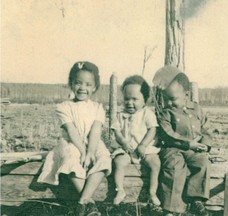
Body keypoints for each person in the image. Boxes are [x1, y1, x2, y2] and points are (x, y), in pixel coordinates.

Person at [38, 61, 111, 216]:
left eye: (88, 84)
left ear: (95, 87)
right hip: (73, 143)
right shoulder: (64, 107)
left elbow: (96, 130)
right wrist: (84, 153)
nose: (82, 88)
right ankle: (90, 205)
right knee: (71, 159)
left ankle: (83, 201)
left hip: (93, 142)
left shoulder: (98, 108)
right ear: (71, 84)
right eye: (78, 83)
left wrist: (90, 152)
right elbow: (71, 131)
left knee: (103, 159)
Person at [153, 66, 212, 216]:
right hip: (173, 148)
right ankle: (172, 208)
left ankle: (196, 199)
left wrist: (205, 144)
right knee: (174, 168)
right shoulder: (166, 113)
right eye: (166, 99)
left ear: (186, 94)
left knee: (202, 162)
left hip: (194, 149)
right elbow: (167, 133)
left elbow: (207, 128)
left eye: (173, 99)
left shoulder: (197, 110)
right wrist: (187, 143)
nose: (169, 103)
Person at [110, 75, 161, 206]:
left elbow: (152, 130)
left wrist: (143, 145)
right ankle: (120, 190)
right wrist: (123, 142)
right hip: (126, 149)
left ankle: (152, 191)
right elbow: (116, 131)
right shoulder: (120, 115)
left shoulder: (147, 113)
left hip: (145, 149)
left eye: (134, 99)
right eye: (127, 99)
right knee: (119, 162)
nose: (129, 103)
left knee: (155, 163)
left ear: (145, 100)